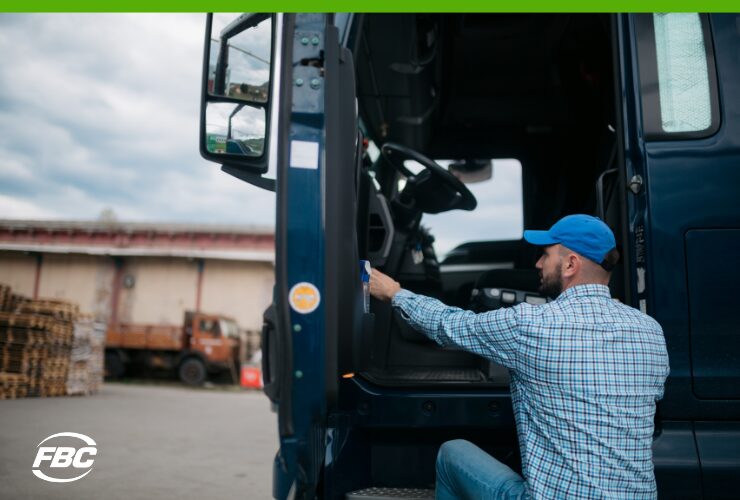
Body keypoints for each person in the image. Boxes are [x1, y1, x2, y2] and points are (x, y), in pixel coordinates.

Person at [369, 214, 670, 500]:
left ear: (571, 264)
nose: (538, 263)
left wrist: (394, 293)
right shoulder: (649, 331)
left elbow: (448, 324)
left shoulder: (532, 326)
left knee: (453, 453)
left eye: (545, 255)